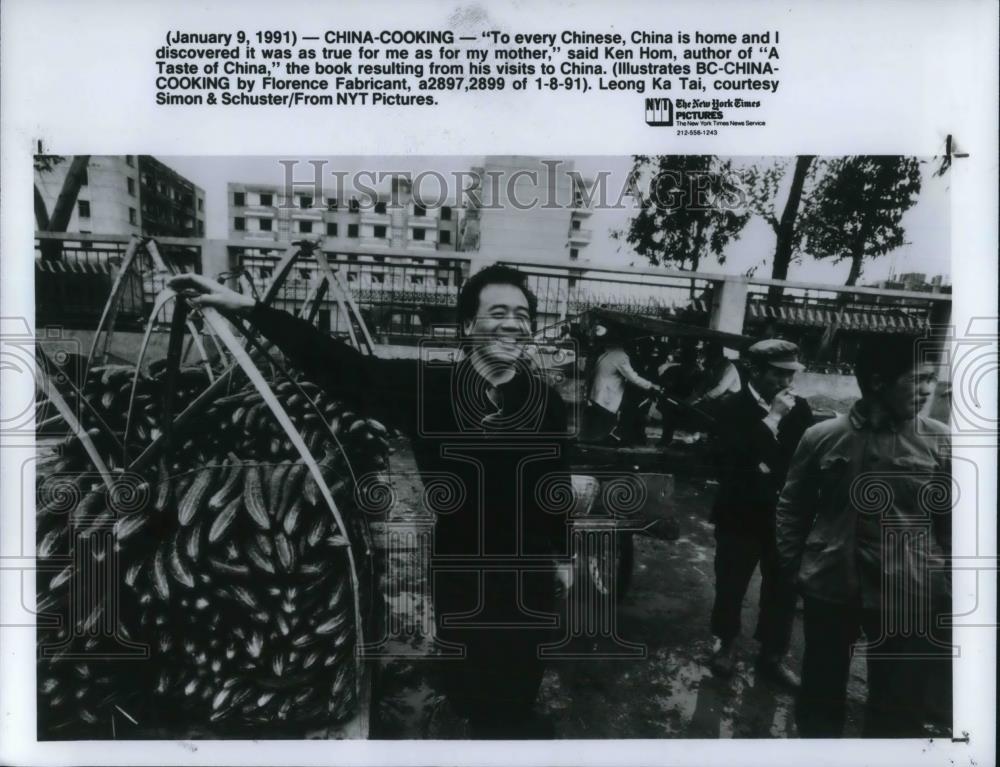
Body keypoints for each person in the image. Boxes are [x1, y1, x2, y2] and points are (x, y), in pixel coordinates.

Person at [170, 265, 572, 739]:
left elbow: (553, 484)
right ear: (468, 326)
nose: (512, 324)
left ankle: (509, 728)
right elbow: (344, 367)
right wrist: (251, 310)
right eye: (497, 312)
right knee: (471, 674)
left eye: (522, 315)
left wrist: (562, 555)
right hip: (463, 564)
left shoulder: (544, 401)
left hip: (527, 570)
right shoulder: (430, 389)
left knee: (522, 675)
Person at [776, 336, 951, 737]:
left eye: (931, 380)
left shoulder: (942, 442)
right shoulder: (821, 436)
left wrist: (949, 585)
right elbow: (793, 506)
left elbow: (955, 525)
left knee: (898, 708)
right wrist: (791, 566)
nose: (928, 390)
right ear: (877, 382)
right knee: (820, 697)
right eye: (918, 380)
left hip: (909, 592)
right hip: (831, 584)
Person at [708, 339, 813, 686]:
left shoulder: (801, 409)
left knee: (782, 588)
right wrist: (772, 419)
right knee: (731, 583)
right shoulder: (730, 408)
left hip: (782, 516)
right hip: (739, 512)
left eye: (791, 375)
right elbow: (730, 463)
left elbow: (798, 461)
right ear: (755, 371)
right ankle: (727, 643)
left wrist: (764, 462)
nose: (786, 383)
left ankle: (772, 654)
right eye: (778, 374)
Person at [582, 333, 662, 444]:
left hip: (598, 393)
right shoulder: (621, 356)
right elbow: (632, 377)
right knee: (607, 424)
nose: (636, 349)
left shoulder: (609, 352)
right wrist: (651, 385)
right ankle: (600, 444)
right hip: (606, 396)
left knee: (600, 423)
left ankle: (595, 442)